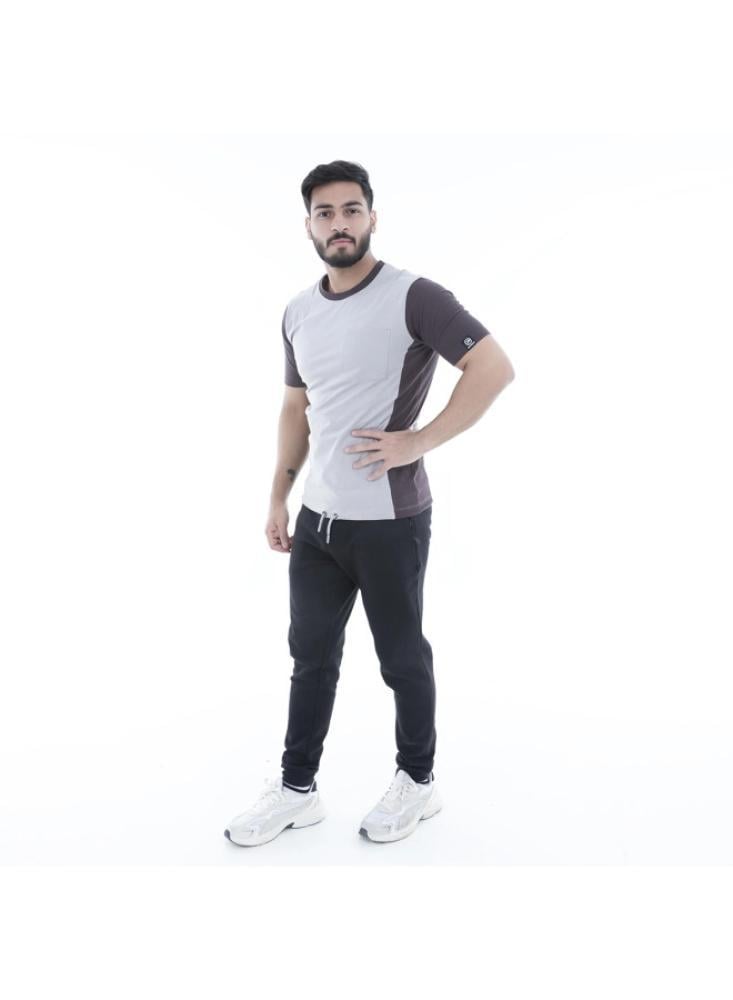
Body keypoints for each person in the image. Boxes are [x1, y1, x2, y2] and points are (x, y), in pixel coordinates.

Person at [225, 160, 515, 847]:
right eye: (324, 213)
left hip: (390, 522)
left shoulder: (414, 296)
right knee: (310, 659)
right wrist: (278, 496)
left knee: (401, 658)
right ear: (308, 226)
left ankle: (418, 780)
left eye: (351, 210)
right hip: (317, 523)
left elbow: (493, 367)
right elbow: (295, 408)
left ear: (372, 218)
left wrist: (419, 440)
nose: (339, 224)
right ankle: (297, 790)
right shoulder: (297, 311)